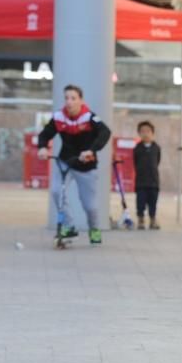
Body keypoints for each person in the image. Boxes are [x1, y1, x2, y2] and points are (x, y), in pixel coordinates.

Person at [37, 84, 112, 245]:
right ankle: (69, 226)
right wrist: (42, 147)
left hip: (86, 165)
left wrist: (91, 150)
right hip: (65, 162)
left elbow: (105, 133)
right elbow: (45, 134)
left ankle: (94, 229)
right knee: (57, 191)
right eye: (66, 98)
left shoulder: (90, 117)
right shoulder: (59, 117)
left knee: (90, 206)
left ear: (81, 100)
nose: (69, 102)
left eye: (73, 98)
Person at [132, 120, 161, 230]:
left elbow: (157, 161)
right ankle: (141, 219)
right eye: (142, 131)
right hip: (141, 181)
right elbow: (135, 162)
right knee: (140, 201)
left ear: (152, 133)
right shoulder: (137, 148)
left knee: (153, 202)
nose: (145, 134)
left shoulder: (156, 148)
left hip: (154, 181)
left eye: (148, 131)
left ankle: (153, 219)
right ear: (139, 133)